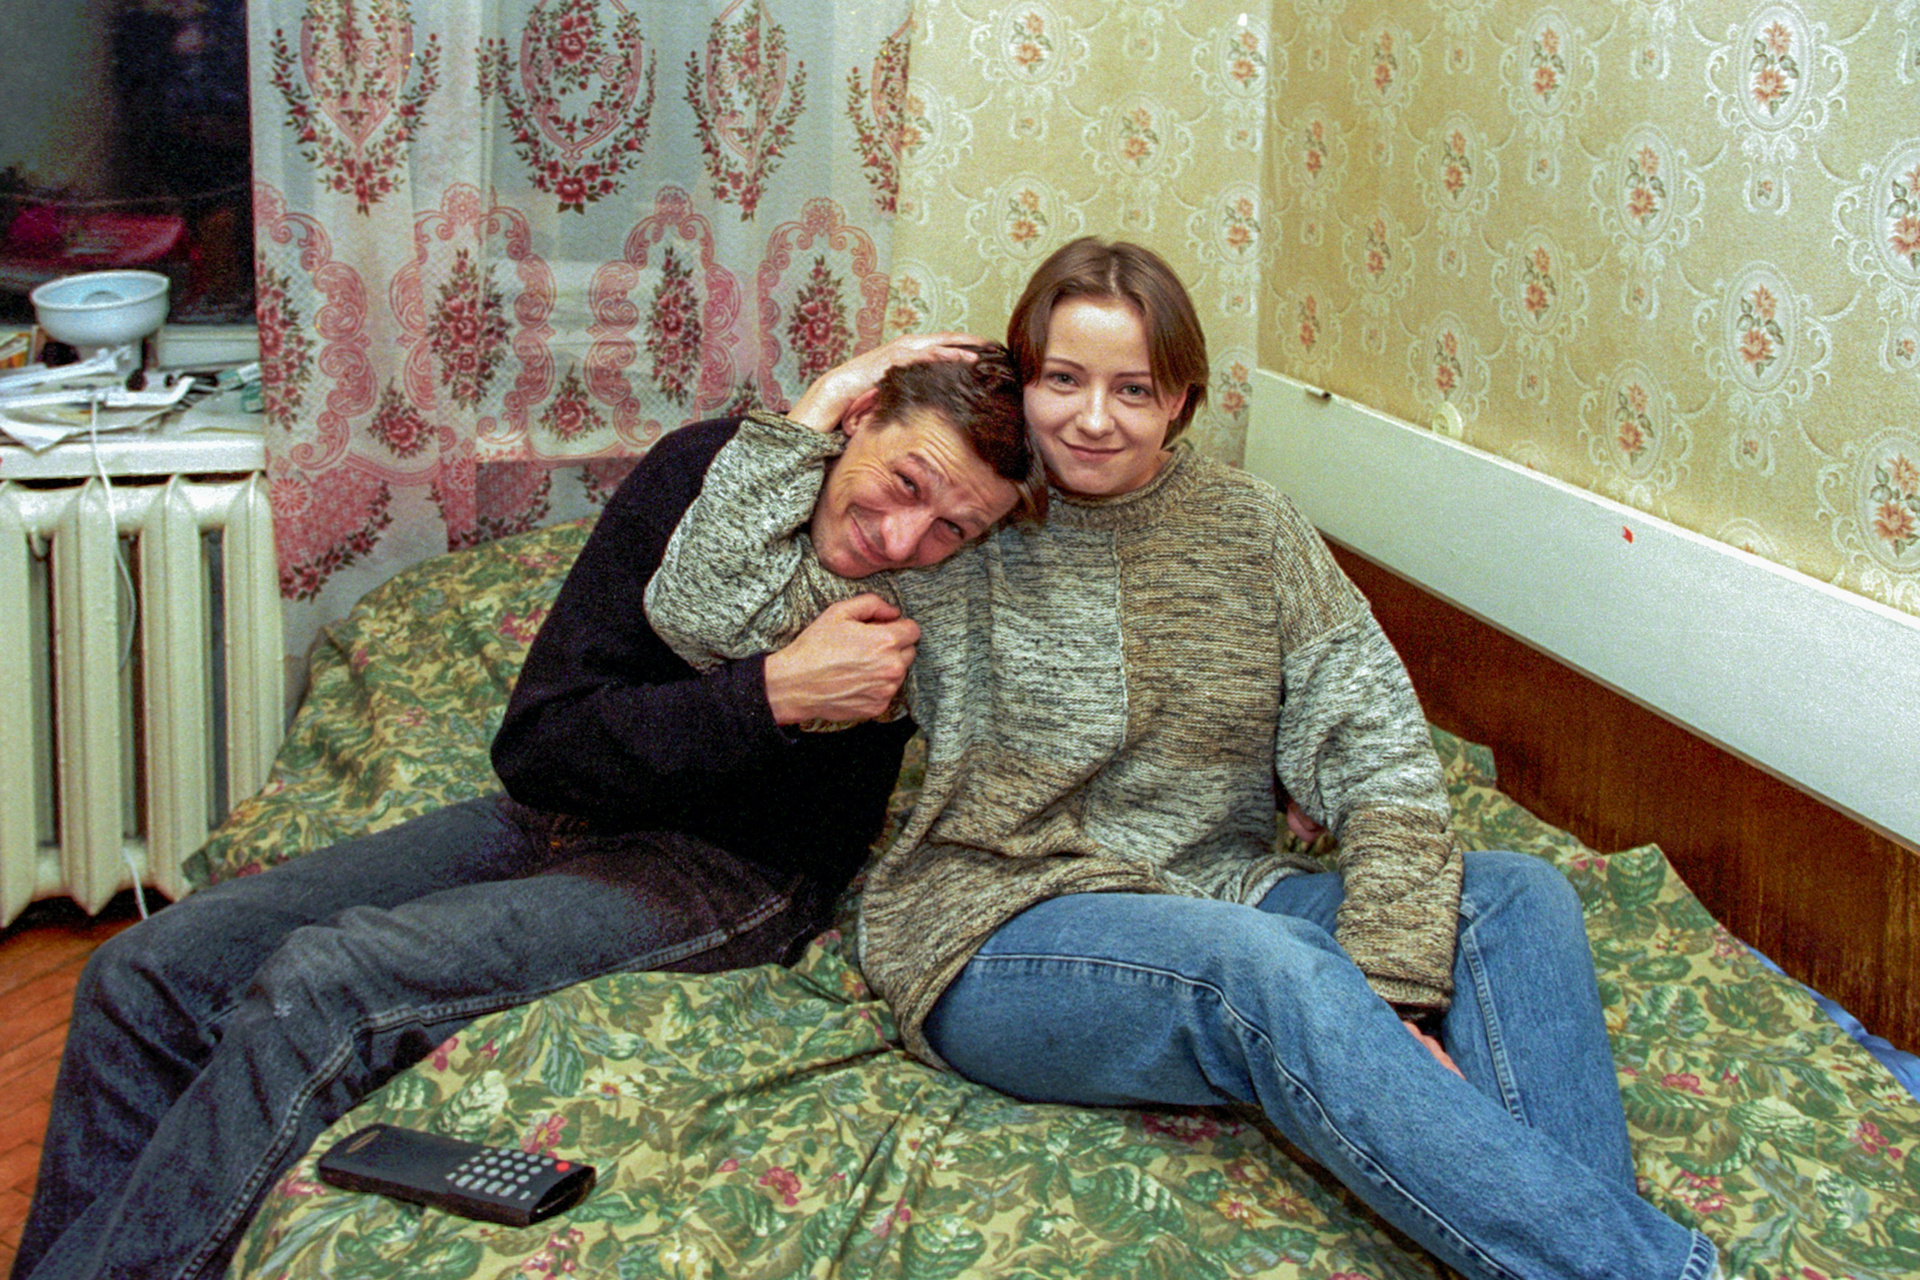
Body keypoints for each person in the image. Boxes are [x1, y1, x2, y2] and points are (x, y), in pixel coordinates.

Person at [643, 237, 1723, 1280]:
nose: (1094, 417)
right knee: (1264, 968)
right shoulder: (965, 526)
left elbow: (1382, 754)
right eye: (1063, 379)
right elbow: (700, 614)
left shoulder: (1256, 530)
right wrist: (822, 404)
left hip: (1227, 888)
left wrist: (1392, 991)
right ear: (1025, 380)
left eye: (1135, 389)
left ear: (1183, 401)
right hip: (999, 922)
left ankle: (1583, 1248)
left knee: (1518, 896)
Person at [11, 344, 1042, 1280]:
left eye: (952, 527)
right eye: (905, 483)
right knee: (142, 971)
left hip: (728, 871)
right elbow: (542, 743)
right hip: (558, 810)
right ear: (856, 418)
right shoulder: (699, 475)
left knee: (327, 982)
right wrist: (769, 694)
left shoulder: (937, 597)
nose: (904, 537)